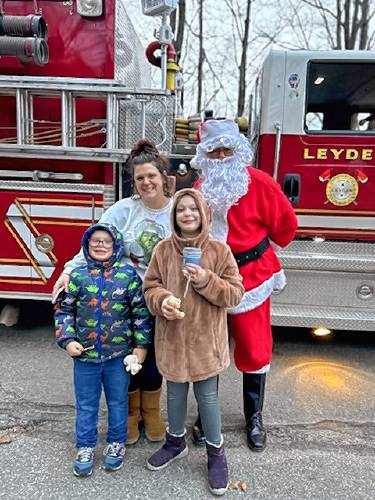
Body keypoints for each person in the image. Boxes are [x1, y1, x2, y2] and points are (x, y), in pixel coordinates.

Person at [52, 140, 174, 446]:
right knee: (128, 357)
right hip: (125, 299)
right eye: (140, 178)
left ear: (163, 177)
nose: (146, 182)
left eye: (151, 176)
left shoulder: (176, 211)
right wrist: (68, 270)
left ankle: (152, 412)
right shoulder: (124, 209)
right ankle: (131, 414)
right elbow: (96, 242)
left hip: (161, 298)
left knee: (154, 359)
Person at [191, 119, 298, 452]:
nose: (222, 155)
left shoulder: (261, 183)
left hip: (252, 277)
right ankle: (206, 416)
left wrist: (261, 251)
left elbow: (286, 226)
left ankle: (254, 417)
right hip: (211, 279)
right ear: (205, 155)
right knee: (210, 350)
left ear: (239, 150)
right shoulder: (198, 190)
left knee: (254, 349)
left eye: (227, 148)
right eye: (215, 150)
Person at [143, 188, 244, 496]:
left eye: (193, 209)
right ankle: (175, 442)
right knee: (173, 396)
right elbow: (150, 286)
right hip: (172, 341)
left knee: (208, 400)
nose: (187, 214)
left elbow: (235, 293)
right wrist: (162, 302)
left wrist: (205, 280)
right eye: (181, 210)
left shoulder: (218, 250)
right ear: (174, 217)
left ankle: (216, 453)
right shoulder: (162, 250)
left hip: (205, 345)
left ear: (203, 214)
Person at [55, 223, 152, 477]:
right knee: (86, 404)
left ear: (116, 245)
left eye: (106, 241)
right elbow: (64, 311)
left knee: (118, 402)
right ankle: (85, 446)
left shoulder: (128, 275)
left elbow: (140, 314)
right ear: (87, 245)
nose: (100, 245)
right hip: (85, 357)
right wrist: (67, 340)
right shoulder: (77, 276)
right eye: (95, 241)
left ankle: (116, 443)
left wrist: (141, 346)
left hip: (117, 357)